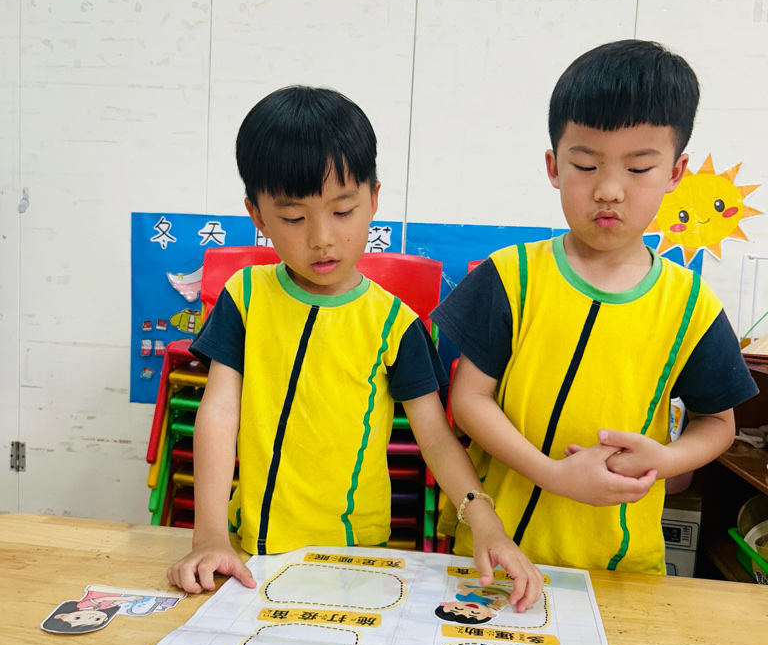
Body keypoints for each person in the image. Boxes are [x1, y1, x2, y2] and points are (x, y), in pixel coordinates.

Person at [167, 86, 544, 607]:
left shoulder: (394, 324)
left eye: (343, 210)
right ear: (257, 215)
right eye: (294, 218)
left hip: (354, 557)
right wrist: (209, 537)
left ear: (373, 200)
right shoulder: (245, 297)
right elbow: (219, 410)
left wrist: (485, 521)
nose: (322, 237)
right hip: (251, 550)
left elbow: (436, 439)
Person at [432, 40, 757, 574]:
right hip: (498, 550)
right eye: (585, 165)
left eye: (639, 168)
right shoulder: (511, 277)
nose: (609, 190)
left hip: (621, 564)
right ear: (553, 166)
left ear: (675, 173)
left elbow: (717, 422)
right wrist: (551, 474)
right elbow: (469, 400)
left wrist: (669, 458)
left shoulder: (690, 304)